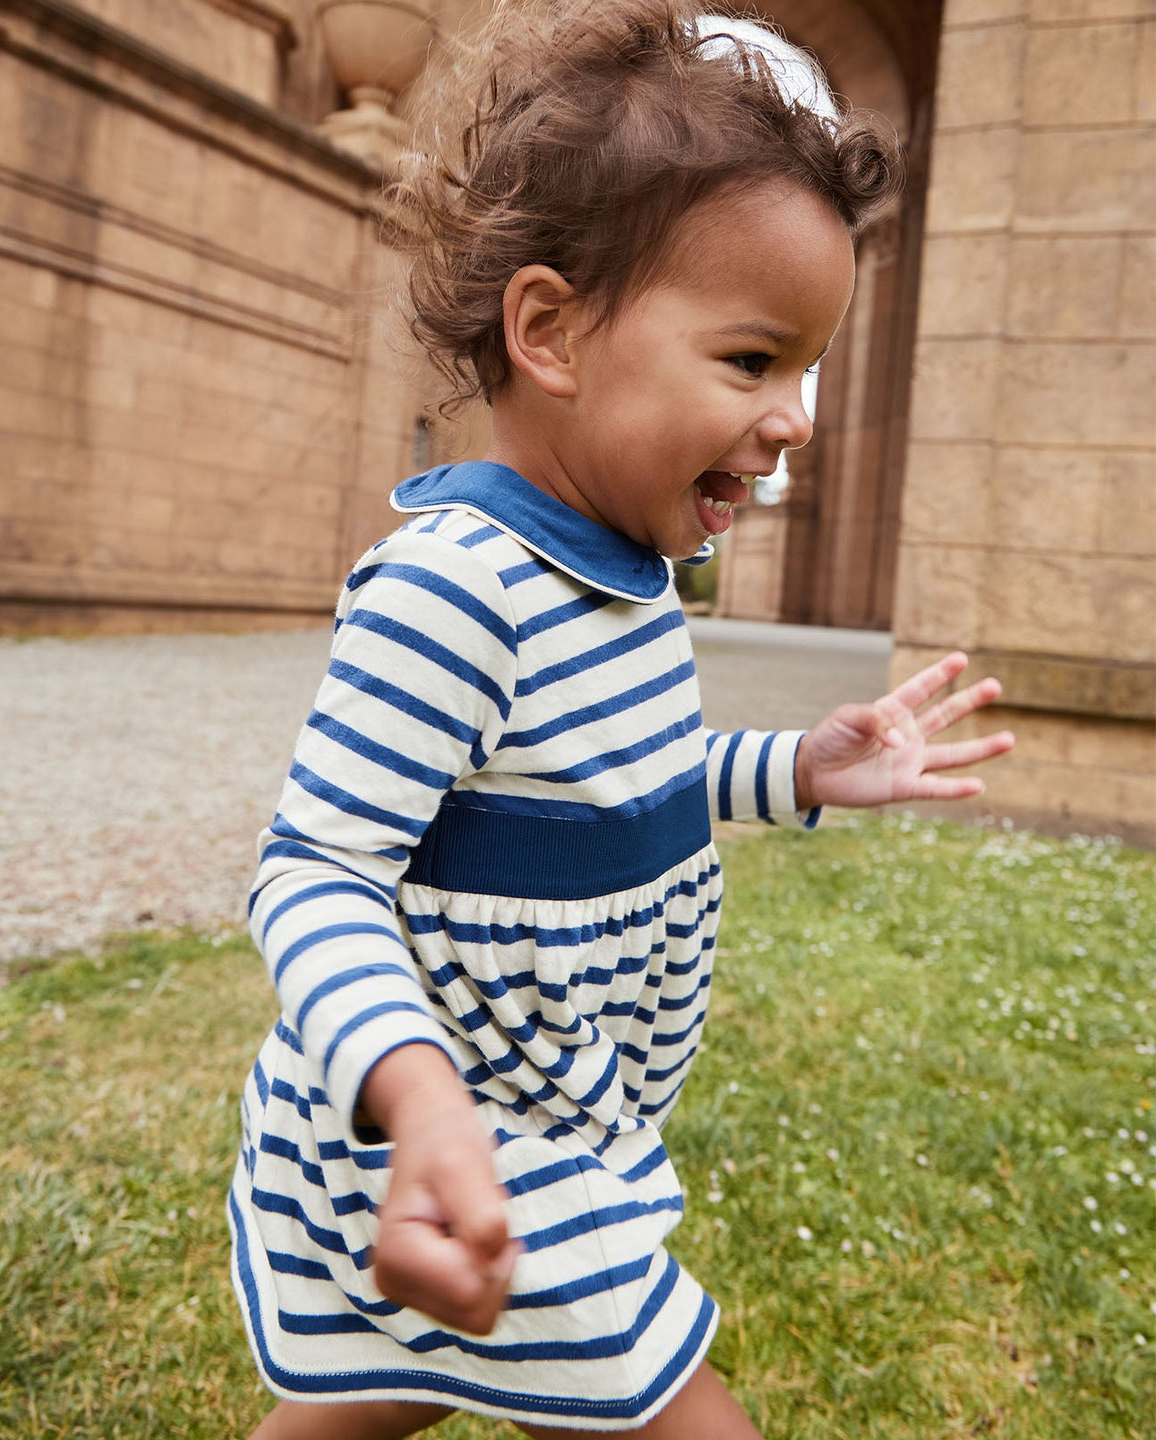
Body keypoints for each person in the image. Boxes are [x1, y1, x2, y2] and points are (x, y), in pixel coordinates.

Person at [228, 3, 1015, 1436]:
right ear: (552, 331)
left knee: (376, 1393)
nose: (798, 420)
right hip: (469, 1124)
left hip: (556, 1120)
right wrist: (423, 1108)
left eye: (809, 371)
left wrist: (799, 771)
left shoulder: (626, 574)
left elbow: (612, 778)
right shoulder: (454, 589)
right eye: (753, 360)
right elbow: (314, 874)